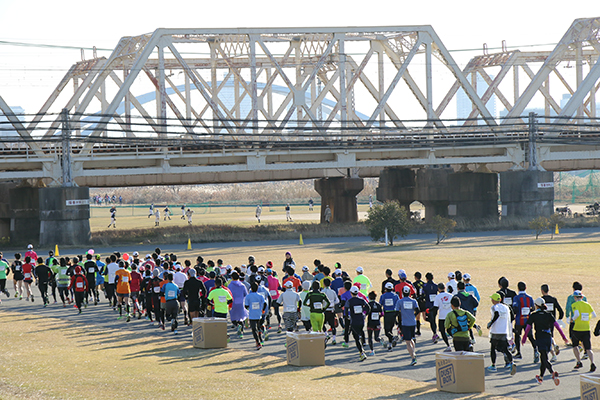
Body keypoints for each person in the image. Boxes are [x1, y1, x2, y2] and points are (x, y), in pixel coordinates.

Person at [523, 297, 569, 385]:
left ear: (536, 306)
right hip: (548, 337)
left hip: (540, 337)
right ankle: (540, 377)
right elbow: (557, 326)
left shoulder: (533, 315)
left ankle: (553, 373)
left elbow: (528, 327)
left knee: (544, 358)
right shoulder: (549, 314)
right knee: (543, 358)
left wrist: (524, 337)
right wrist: (563, 337)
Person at [487, 293, 516, 374]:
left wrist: (490, 323)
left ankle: (493, 365)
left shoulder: (494, 307)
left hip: (495, 331)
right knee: (505, 349)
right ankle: (511, 362)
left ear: (493, 300)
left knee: (493, 348)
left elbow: (496, 314)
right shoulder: (506, 307)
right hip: (504, 331)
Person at [571, 290, 596, 372]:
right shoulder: (587, 305)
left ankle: (579, 361)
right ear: (582, 297)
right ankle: (592, 363)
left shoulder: (574, 304)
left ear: (575, 297)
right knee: (588, 348)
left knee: (575, 346)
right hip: (586, 328)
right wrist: (587, 318)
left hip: (577, 328)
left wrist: (572, 319)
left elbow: (577, 314)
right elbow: (594, 315)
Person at [513, 281, 537, 362]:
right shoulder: (529, 298)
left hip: (519, 320)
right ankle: (536, 350)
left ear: (518, 288)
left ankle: (519, 352)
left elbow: (515, 309)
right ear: (526, 288)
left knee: (517, 335)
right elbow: (533, 308)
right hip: (528, 321)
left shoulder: (516, 298)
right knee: (530, 336)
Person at [396, 286, 419, 366]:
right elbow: (417, 310)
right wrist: (413, 316)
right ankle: (414, 352)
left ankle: (413, 357)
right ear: (409, 293)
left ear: (402, 293)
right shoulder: (414, 301)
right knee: (411, 339)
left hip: (405, 323)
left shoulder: (400, 301)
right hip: (413, 322)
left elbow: (397, 312)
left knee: (408, 342)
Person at [541, 284, 565, 362]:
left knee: (546, 338)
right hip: (551, 321)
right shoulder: (553, 299)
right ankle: (554, 345)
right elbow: (561, 311)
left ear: (542, 291)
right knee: (550, 335)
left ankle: (553, 352)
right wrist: (559, 319)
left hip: (543, 321)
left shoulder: (541, 300)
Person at [346, 285, 370, 361]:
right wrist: (365, 314)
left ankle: (362, 353)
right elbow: (368, 307)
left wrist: (347, 316)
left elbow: (346, 309)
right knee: (360, 331)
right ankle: (363, 343)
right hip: (361, 320)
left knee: (356, 338)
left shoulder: (349, 301)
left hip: (354, 321)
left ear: (351, 293)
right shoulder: (362, 300)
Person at [245, 282, 267, 350]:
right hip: (259, 314)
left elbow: (246, 306)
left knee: (254, 329)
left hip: (252, 315)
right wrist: (263, 310)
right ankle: (260, 338)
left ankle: (258, 342)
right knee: (258, 327)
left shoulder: (248, 296)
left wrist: (249, 308)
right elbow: (265, 303)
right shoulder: (260, 296)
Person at [380, 282, 399, 351]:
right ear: (392, 288)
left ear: (385, 289)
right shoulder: (395, 296)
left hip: (387, 314)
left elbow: (380, 305)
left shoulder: (383, 296)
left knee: (386, 331)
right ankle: (390, 346)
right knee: (390, 329)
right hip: (393, 314)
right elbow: (398, 304)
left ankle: (393, 338)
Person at [433, 283, 453, 351]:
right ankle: (456, 339)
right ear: (445, 288)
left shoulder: (438, 297)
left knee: (442, 331)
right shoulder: (450, 295)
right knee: (450, 330)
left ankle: (448, 345)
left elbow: (435, 307)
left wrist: (429, 310)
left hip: (442, 316)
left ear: (438, 289)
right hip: (450, 315)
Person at [228, 271, 249, 338]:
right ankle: (241, 333)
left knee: (233, 318)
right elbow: (246, 294)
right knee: (241, 318)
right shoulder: (242, 285)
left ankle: (237, 325)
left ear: (232, 278)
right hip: (241, 303)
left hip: (233, 303)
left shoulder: (230, 285)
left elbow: (228, 295)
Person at [322, 278, 340, 344]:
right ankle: (334, 338)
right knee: (333, 326)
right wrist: (333, 303)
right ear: (330, 284)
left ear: (323, 284)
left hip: (325, 310)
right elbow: (337, 301)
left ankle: (326, 334)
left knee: (322, 324)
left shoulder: (323, 292)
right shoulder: (333, 292)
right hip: (332, 310)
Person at [423, 272, 439, 343]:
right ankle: (435, 333)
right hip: (435, 305)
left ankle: (435, 334)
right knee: (433, 319)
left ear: (426, 279)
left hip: (428, 305)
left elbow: (422, 294)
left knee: (431, 320)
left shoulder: (425, 286)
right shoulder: (436, 286)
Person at [367, 291, 382, 356]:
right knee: (376, 338)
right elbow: (382, 313)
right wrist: (379, 316)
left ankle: (372, 350)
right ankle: (381, 340)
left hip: (370, 323)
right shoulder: (378, 305)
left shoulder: (368, 304)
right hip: (377, 323)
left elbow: (365, 312)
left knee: (370, 337)